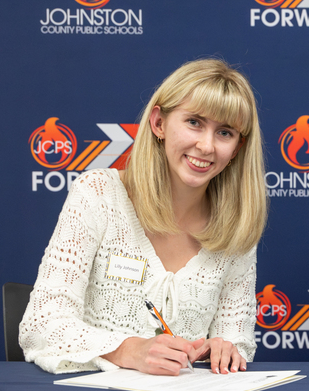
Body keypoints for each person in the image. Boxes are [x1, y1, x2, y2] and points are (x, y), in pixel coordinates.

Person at [20, 59, 267, 375]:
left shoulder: (237, 226)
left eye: (224, 132)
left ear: (237, 148)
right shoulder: (99, 194)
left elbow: (238, 342)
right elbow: (41, 324)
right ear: (158, 123)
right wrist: (127, 351)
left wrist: (221, 351)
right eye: (194, 122)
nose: (206, 146)